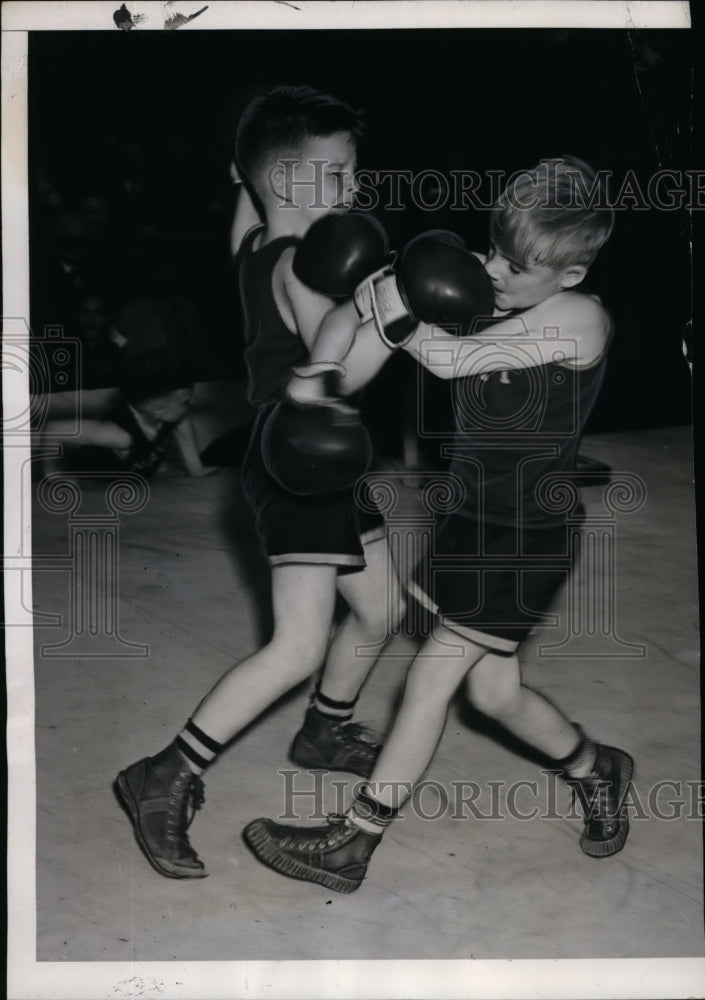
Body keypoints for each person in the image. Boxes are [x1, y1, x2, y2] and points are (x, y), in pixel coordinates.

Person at [242, 156, 635, 894]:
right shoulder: (501, 292)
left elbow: (454, 363)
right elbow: (397, 325)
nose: (492, 271)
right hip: (466, 522)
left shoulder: (578, 318)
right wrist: (374, 293)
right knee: (494, 695)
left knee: (427, 684)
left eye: (514, 266)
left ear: (571, 273)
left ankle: (350, 846)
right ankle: (595, 767)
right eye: (490, 251)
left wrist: (395, 308)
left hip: (526, 538)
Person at [114, 86, 405, 879]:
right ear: (285, 184)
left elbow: (243, 193)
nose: (354, 189)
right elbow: (337, 373)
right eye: (339, 174)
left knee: (380, 607)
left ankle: (324, 728)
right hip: (301, 459)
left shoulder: (251, 239)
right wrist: (400, 313)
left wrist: (248, 172)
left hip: (325, 458)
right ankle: (164, 773)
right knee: (298, 642)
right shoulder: (302, 272)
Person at [38, 348, 212, 479]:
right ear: (157, 409)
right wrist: (53, 474)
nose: (190, 404)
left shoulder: (174, 418)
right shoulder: (118, 435)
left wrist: (196, 469)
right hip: (91, 488)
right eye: (185, 401)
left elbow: (190, 455)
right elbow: (52, 430)